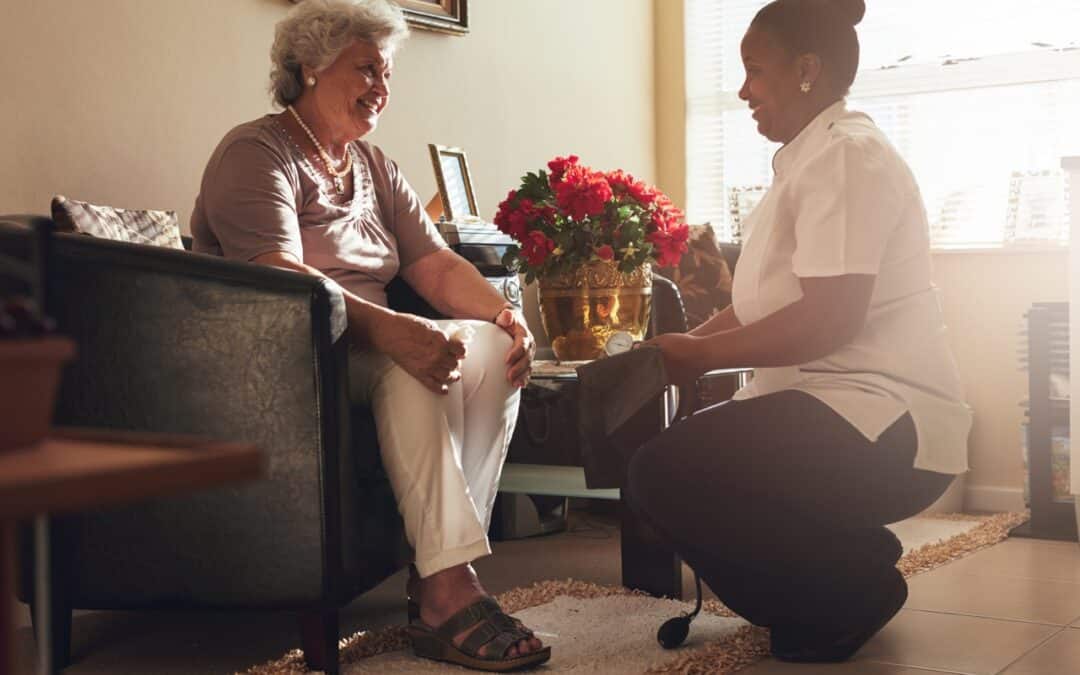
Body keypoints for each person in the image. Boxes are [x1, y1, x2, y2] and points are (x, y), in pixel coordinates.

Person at [190, 0, 549, 670]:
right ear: (309, 66)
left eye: (387, 74)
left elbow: (436, 264)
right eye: (366, 69)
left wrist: (507, 317)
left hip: (369, 338)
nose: (382, 88)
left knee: (496, 353)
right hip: (285, 354)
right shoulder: (255, 151)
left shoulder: (375, 166)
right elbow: (276, 274)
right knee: (407, 361)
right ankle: (448, 590)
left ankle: (441, 569)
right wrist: (393, 329)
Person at [626, 0, 971, 663]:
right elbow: (764, 306)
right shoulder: (810, 159)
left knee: (662, 473)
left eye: (755, 70)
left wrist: (696, 357)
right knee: (664, 469)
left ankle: (848, 589)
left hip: (884, 423)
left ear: (807, 71)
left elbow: (830, 318)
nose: (744, 89)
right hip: (838, 413)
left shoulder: (846, 157)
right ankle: (851, 561)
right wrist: (687, 346)